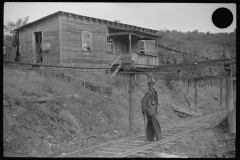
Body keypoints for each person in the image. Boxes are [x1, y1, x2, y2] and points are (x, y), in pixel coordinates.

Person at [141, 77, 163, 141]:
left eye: (154, 84)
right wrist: (144, 110)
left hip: (152, 111)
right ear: (150, 85)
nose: (154, 85)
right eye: (153, 84)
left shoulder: (153, 92)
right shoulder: (149, 92)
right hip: (150, 111)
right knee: (156, 125)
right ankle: (159, 138)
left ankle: (150, 138)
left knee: (150, 125)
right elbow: (143, 101)